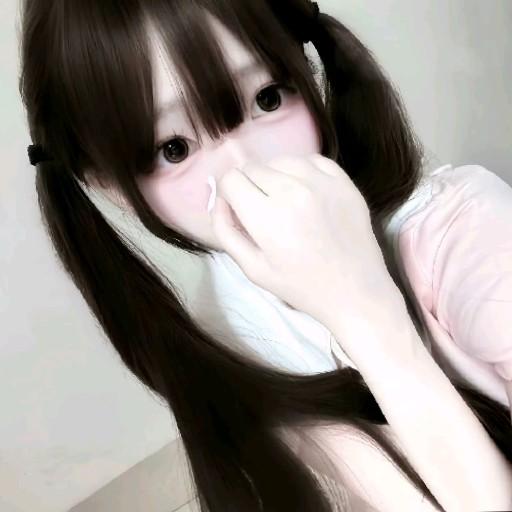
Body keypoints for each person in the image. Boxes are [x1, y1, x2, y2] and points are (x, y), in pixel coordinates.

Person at [18, 0, 512, 510]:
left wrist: (365, 311)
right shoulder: (230, 339)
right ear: (110, 185)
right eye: (174, 149)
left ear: (305, 71)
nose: (244, 167)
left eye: (267, 98)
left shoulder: (461, 231)